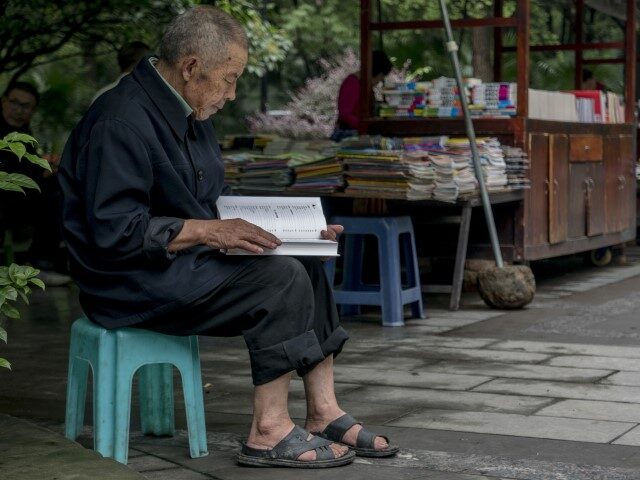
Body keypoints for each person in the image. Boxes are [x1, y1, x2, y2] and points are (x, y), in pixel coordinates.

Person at [58, 6, 398, 468]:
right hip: (126, 279)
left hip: (179, 262)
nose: (232, 93)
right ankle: (268, 431)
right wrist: (208, 231)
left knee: (305, 263)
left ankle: (323, 412)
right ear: (191, 67)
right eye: (229, 78)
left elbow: (210, 203)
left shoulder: (189, 110)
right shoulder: (120, 121)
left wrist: (292, 232)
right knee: (278, 279)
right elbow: (115, 231)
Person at [0, 81, 71, 285]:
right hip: (6, 197)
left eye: (26, 106)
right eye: (14, 103)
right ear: (4, 101)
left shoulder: (24, 133)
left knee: (60, 188)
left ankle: (45, 264)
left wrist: (45, 169)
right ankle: (42, 264)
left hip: (23, 200)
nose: (19, 110)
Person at [331, 50, 392, 142]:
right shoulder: (352, 83)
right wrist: (366, 125)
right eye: (380, 78)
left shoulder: (366, 86)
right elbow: (345, 114)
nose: (378, 82)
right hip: (348, 133)